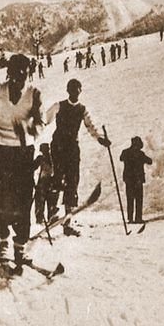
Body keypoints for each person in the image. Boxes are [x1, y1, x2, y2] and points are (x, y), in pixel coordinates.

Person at [0, 54, 44, 267]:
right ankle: (2, 241)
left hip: (23, 153)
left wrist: (31, 130)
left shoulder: (34, 94)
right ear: (8, 74)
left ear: (27, 75)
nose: (17, 82)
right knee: (3, 197)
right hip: (0, 152)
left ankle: (20, 246)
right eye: (13, 77)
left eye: (22, 77)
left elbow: (40, 123)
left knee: (24, 200)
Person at [45, 78, 111, 236]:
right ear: (68, 90)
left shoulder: (82, 109)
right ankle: (52, 213)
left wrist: (101, 139)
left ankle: (67, 222)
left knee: (72, 181)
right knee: (57, 178)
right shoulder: (58, 106)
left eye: (78, 89)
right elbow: (44, 120)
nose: (75, 92)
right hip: (59, 147)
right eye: (72, 89)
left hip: (72, 148)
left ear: (80, 91)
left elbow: (91, 126)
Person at [119, 137, 153, 223]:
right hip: (138, 180)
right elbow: (150, 161)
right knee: (138, 199)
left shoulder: (125, 152)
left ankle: (130, 219)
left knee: (130, 199)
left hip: (129, 179)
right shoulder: (140, 154)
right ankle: (138, 218)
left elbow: (121, 158)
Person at [33, 143, 54, 224]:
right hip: (46, 182)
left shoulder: (44, 158)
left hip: (46, 182)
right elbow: (33, 167)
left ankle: (46, 219)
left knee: (42, 201)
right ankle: (41, 219)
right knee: (41, 202)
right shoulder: (44, 158)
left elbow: (32, 167)